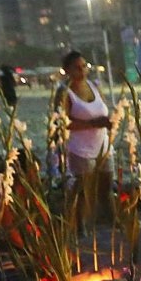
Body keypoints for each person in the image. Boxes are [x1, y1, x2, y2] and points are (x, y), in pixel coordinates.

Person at [55, 50, 113, 226]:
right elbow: (62, 122)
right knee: (83, 191)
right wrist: (93, 124)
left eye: (84, 66)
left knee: (106, 187)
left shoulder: (94, 86)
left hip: (103, 145)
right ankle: (80, 226)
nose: (81, 71)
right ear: (67, 70)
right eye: (76, 68)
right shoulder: (65, 92)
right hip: (81, 149)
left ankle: (110, 220)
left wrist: (108, 122)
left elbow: (103, 110)